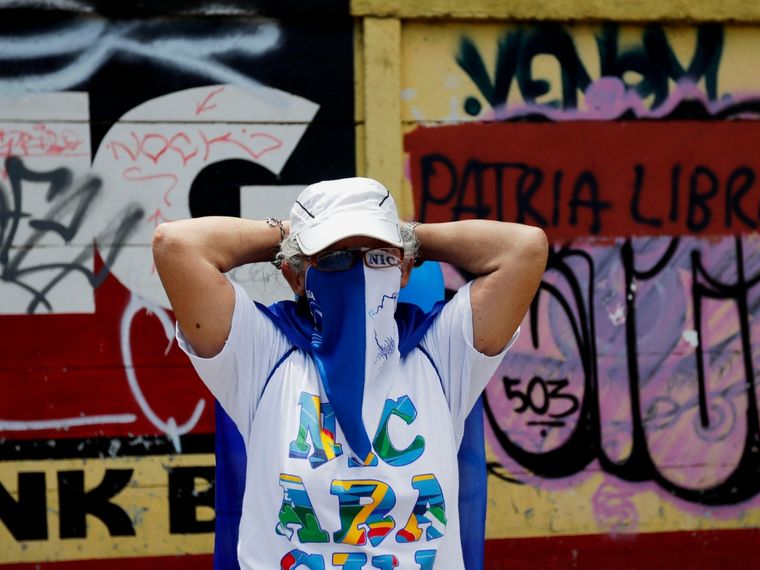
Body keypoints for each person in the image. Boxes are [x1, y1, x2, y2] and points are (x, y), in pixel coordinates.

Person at [152, 177, 547, 569]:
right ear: (295, 276)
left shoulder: (441, 351)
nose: (361, 273)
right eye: (334, 258)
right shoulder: (264, 353)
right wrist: (299, 231)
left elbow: (524, 248)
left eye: (379, 257)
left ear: (405, 270)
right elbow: (177, 245)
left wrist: (405, 235)